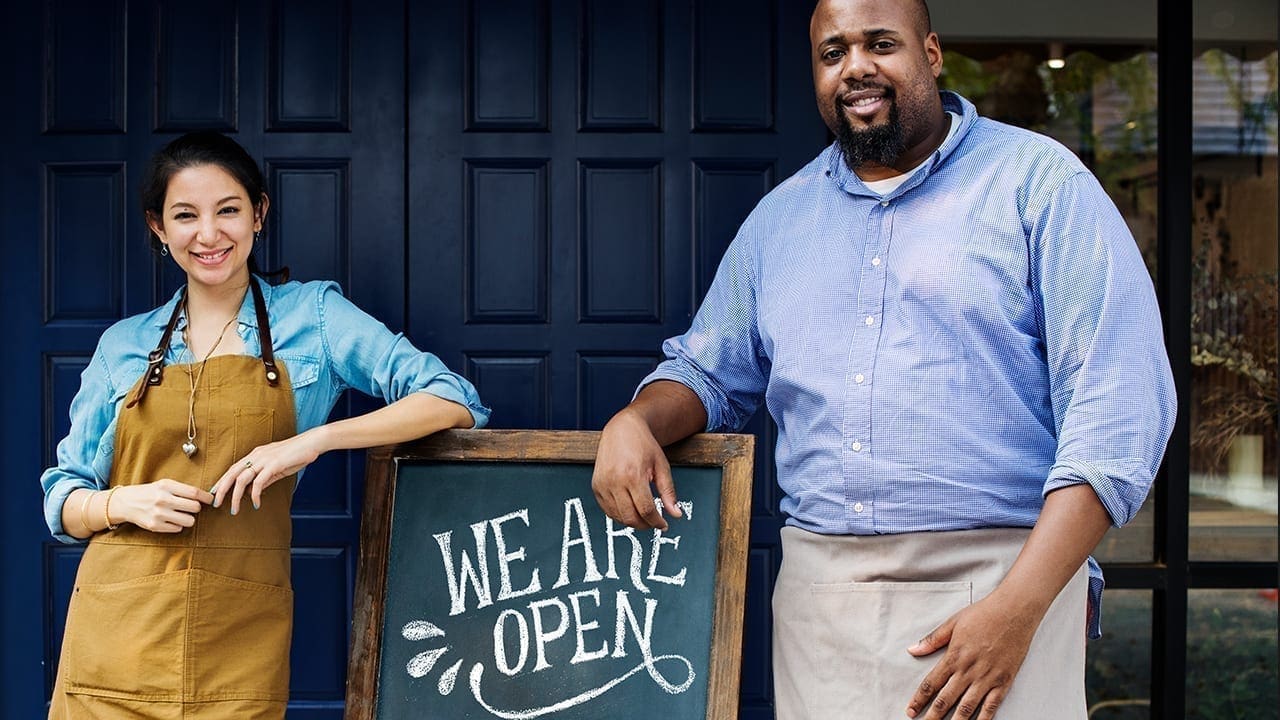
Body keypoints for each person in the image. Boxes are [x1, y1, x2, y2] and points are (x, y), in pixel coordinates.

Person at [591, 0, 1176, 718]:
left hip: (1002, 591)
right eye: (832, 52)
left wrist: (1019, 607)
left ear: (931, 53)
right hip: (822, 608)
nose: (856, 67)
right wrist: (637, 419)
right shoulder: (780, 221)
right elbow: (707, 372)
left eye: (880, 43)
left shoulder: (1040, 186)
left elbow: (1119, 411)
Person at [41, 131, 490, 719]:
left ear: (259, 213)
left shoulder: (314, 318)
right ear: (158, 228)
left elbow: (454, 400)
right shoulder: (122, 345)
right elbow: (62, 497)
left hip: (239, 637)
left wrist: (314, 442)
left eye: (228, 210)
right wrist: (123, 503)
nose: (209, 234)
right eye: (185, 216)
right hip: (114, 638)